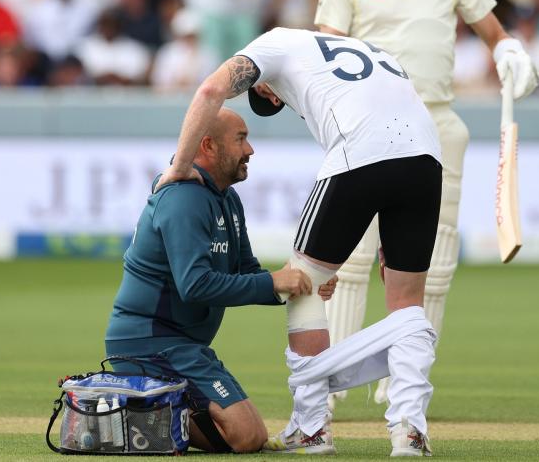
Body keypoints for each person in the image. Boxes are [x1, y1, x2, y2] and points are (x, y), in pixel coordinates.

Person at [157, 25, 449, 456]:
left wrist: (180, 165)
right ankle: (409, 430)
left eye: (268, 96)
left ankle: (312, 427)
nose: (275, 100)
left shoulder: (273, 42)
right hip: (426, 158)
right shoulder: (360, 47)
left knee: (301, 284)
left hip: (360, 149)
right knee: (407, 308)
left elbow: (209, 91)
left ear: (264, 86)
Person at [313, 0, 539, 407]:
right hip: (368, 121)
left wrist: (507, 50)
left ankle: (403, 378)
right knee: (352, 257)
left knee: (432, 263)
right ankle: (335, 376)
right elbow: (326, 48)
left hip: (437, 123)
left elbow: (492, 29)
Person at [104, 107, 337, 454]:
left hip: (181, 347)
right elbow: (195, 286)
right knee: (247, 436)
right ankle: (131, 413)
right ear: (209, 146)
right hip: (150, 346)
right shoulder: (184, 198)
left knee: (248, 436)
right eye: (241, 139)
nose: (250, 150)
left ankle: (146, 408)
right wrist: (275, 283)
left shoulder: (226, 198)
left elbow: (246, 271)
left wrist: (296, 283)